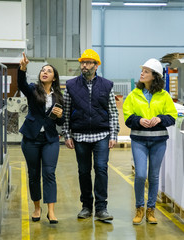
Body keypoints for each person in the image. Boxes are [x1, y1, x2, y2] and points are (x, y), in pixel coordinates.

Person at [62, 49, 120, 221]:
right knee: (83, 171)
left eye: (88, 63)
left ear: (96, 66)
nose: (84, 66)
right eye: (82, 62)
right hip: (80, 135)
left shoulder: (106, 85)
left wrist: (113, 134)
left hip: (101, 134)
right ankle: (86, 206)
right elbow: (66, 112)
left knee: (101, 169)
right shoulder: (71, 85)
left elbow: (112, 111)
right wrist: (66, 134)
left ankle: (101, 208)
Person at [123, 58, 177, 225]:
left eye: (146, 71)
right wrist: (139, 120)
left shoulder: (164, 96)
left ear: (155, 76)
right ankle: (139, 207)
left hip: (158, 141)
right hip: (139, 140)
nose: (142, 73)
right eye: (142, 71)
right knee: (140, 175)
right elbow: (127, 117)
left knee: (153, 176)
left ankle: (151, 210)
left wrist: (159, 119)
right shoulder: (133, 95)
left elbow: (172, 117)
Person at [18, 52, 64, 224]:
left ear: (54, 77)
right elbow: (21, 83)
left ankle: (51, 211)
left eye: (49, 71)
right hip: (31, 138)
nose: (44, 72)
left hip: (50, 139)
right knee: (34, 174)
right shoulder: (32, 90)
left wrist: (60, 115)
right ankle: (37, 208)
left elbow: (62, 119)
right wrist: (22, 69)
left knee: (49, 173)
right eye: (42, 70)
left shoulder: (58, 96)